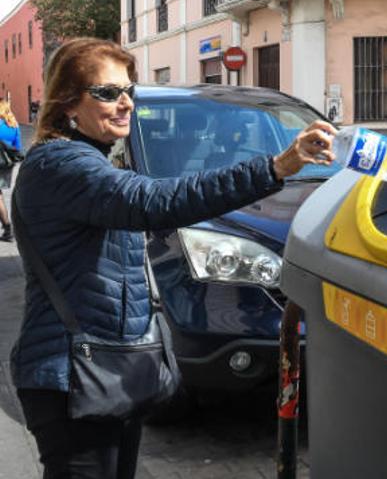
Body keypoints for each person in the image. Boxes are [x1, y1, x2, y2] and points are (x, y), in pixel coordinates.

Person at [10, 37, 337, 479]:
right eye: (107, 93)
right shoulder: (61, 166)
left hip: (106, 370)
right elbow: (157, 200)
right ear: (68, 104)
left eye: (128, 90)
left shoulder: (96, 161)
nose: (124, 103)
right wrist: (276, 167)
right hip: (73, 377)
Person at [0, 99, 22, 241]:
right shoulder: (14, 125)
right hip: (7, 164)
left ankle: (8, 227)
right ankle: (8, 229)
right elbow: (18, 147)